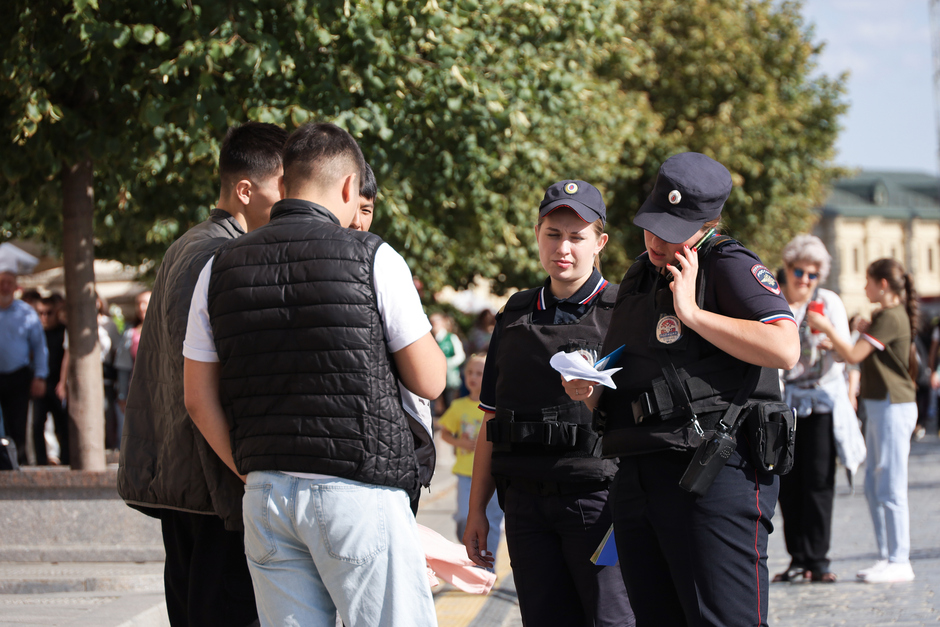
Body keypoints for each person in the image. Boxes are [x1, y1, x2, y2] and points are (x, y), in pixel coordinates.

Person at [182, 121, 445, 627]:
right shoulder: (374, 257)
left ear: (283, 184)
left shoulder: (218, 266)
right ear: (350, 186)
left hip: (265, 494)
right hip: (358, 489)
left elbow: (198, 398)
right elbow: (430, 381)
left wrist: (249, 469)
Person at [563, 153, 799, 627]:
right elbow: (624, 368)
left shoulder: (728, 264)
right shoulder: (639, 275)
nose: (657, 239)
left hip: (714, 474)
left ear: (707, 223)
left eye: (674, 230)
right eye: (653, 225)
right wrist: (586, 385)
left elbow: (784, 346)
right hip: (639, 472)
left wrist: (692, 313)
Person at [118, 121, 287, 627]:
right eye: (285, 185)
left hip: (190, 485)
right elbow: (212, 389)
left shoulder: (189, 245)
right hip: (215, 487)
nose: (294, 198)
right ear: (244, 189)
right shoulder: (221, 255)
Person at [464, 180, 634, 627]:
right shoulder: (515, 315)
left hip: (600, 502)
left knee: (611, 620)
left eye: (577, 237)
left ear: (600, 243)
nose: (564, 248)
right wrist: (476, 511)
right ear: (537, 234)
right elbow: (491, 421)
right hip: (524, 506)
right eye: (553, 234)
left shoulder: (625, 313)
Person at [807, 257, 919, 584]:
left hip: (893, 404)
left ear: (883, 284)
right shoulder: (885, 316)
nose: (864, 287)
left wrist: (828, 327)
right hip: (881, 403)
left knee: (890, 482)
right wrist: (844, 337)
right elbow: (851, 353)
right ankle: (888, 556)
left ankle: (899, 558)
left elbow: (853, 356)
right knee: (874, 483)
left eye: (868, 281)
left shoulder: (890, 316)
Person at [774, 234, 863, 584]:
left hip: (822, 401)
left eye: (813, 274)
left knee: (820, 482)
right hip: (787, 401)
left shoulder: (828, 302)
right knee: (789, 482)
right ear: (788, 268)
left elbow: (847, 354)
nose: (805, 280)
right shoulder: (776, 300)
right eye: (799, 272)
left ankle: (819, 559)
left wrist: (827, 333)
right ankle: (797, 557)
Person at [350, 163, 437, 515]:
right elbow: (431, 379)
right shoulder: (378, 260)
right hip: (373, 469)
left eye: (367, 209)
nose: (358, 221)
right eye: (352, 206)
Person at [439, 353, 503, 567]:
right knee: (464, 518)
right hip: (466, 474)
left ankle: (486, 568)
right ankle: (470, 546)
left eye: (479, 373)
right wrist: (460, 444)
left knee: (492, 522)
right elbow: (444, 433)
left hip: (492, 476)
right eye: (470, 372)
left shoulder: (500, 406)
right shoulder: (458, 406)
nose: (473, 377)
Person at [0, 270, 48, 465]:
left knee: (18, 424)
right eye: (1, 282)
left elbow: (39, 346)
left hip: (18, 376)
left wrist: (40, 376)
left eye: (8, 282)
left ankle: (18, 464)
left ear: (15, 287)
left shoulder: (26, 312)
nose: (4, 286)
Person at [33, 294, 69, 466]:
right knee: (36, 424)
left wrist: (63, 382)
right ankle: (40, 460)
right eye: (40, 313)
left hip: (57, 383)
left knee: (62, 424)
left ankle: (66, 458)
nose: (44, 317)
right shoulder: (35, 332)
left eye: (48, 313)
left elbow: (67, 358)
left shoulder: (63, 331)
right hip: (40, 382)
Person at [431, 312, 466, 415]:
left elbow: (461, 356)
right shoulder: (432, 339)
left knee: (451, 404)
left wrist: (446, 363)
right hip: (436, 377)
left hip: (450, 377)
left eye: (435, 322)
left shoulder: (451, 337)